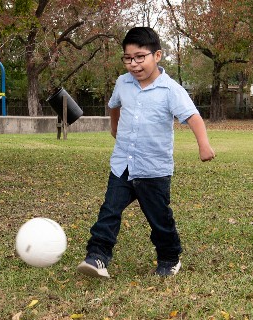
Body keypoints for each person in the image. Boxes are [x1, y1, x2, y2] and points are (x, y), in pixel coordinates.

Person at [77, 27, 215, 278]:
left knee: (159, 219)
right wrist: (114, 127)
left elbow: (193, 117)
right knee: (109, 211)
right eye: (128, 58)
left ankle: (170, 259)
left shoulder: (170, 89)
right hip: (123, 165)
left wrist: (203, 144)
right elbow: (114, 106)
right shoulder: (122, 83)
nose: (134, 64)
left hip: (153, 169)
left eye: (140, 57)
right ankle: (97, 257)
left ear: (157, 55)